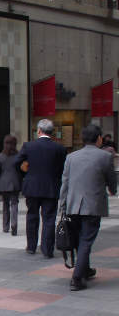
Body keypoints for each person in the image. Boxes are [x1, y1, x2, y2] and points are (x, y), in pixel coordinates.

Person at [59, 124, 118, 291]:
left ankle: (85, 269)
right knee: (86, 240)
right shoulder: (105, 156)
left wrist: (62, 206)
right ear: (99, 138)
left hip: (73, 205)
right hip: (92, 206)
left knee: (79, 240)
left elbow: (65, 183)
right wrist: (113, 190)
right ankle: (77, 278)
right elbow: (111, 178)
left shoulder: (72, 157)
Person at [17, 119, 67, 258]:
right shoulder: (60, 149)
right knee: (49, 218)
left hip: (32, 187)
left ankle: (31, 247)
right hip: (51, 187)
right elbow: (63, 169)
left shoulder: (28, 146)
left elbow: (16, 162)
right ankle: (47, 249)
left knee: (32, 216)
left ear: (39, 131)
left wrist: (26, 174)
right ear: (52, 132)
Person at [0, 134, 22, 236]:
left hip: (3, 184)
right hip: (15, 183)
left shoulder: (0, 156)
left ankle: (5, 227)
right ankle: (14, 225)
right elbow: (21, 170)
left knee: (5, 205)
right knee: (14, 204)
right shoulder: (18, 156)